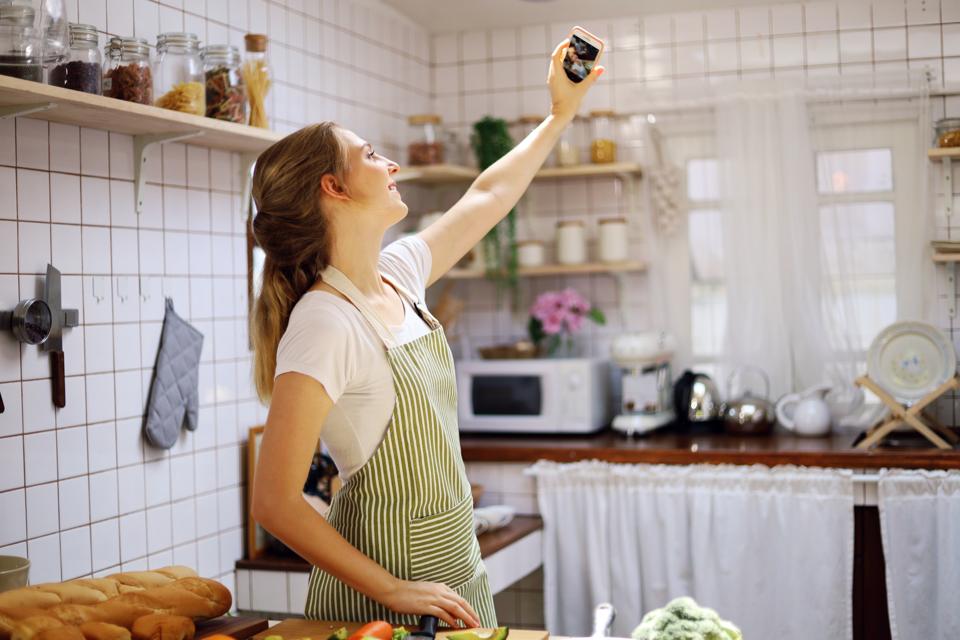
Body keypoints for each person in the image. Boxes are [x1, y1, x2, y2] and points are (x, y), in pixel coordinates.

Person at [249, 39, 604, 628]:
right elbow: (275, 502)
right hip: (382, 604)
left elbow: (488, 196)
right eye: (370, 156)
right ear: (332, 189)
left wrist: (560, 114)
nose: (391, 165)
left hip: (456, 574)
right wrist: (392, 591)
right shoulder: (324, 321)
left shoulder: (396, 275)